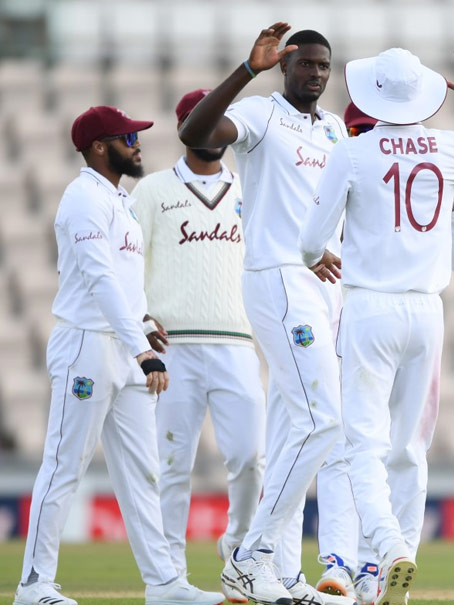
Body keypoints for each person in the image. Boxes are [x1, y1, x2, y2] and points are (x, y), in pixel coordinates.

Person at [299, 44, 454, 605]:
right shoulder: (448, 147)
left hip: (369, 308)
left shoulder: (352, 151)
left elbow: (309, 242)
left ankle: (386, 545)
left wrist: (315, 257)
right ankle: (387, 566)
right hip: (427, 312)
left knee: (362, 445)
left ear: (371, 94)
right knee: (409, 447)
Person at [13, 106, 224, 605]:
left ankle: (164, 583)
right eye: (128, 138)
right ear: (98, 147)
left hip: (125, 349)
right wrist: (141, 348)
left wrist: (143, 322)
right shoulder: (83, 197)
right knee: (65, 464)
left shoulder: (121, 201)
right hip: (86, 346)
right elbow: (98, 278)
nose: (137, 143)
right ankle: (33, 585)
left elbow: (124, 283)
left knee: (143, 473)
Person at [178, 24, 356, 605]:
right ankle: (248, 558)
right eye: (305, 63)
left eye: (323, 65)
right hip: (278, 280)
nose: (316, 73)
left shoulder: (334, 129)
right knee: (322, 421)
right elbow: (194, 132)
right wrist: (246, 71)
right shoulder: (261, 113)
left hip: (322, 284)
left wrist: (324, 248)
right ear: (285, 66)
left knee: (290, 432)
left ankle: (283, 571)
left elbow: (331, 206)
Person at [335, 102, 454, 605]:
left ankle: (382, 566)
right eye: (356, 133)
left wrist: (447, 201)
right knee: (365, 451)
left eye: (366, 131)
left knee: (398, 450)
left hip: (383, 322)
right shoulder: (349, 172)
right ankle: (358, 566)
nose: (363, 140)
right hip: (359, 322)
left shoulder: (401, 177)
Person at [130, 89, 266, 604]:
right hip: (174, 347)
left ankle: (239, 554)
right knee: (171, 464)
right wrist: (141, 322)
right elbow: (127, 263)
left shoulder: (251, 188)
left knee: (250, 459)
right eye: (199, 121)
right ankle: (168, 577)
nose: (210, 131)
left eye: (217, 121)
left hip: (237, 342)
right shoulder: (153, 191)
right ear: (184, 126)